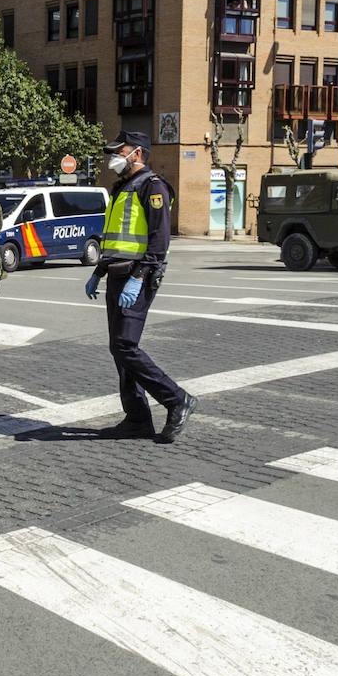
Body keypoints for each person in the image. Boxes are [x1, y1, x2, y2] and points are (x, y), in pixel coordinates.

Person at [84, 130, 196, 442]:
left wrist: (138, 276)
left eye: (118, 151)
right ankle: (137, 419)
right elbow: (118, 240)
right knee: (117, 347)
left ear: (137, 153)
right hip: (119, 273)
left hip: (138, 276)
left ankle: (177, 399)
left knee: (125, 345)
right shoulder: (123, 187)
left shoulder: (152, 186)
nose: (112, 157)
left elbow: (159, 240)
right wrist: (100, 271)